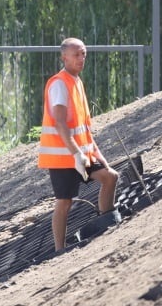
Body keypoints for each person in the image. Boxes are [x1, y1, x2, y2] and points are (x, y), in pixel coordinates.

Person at [38, 37, 119, 252]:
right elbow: (60, 124)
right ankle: (59, 250)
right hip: (65, 156)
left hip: (82, 153)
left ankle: (107, 223)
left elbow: (83, 127)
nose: (81, 58)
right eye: (77, 54)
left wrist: (95, 153)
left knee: (110, 177)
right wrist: (76, 154)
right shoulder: (59, 84)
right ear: (64, 57)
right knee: (64, 202)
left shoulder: (76, 82)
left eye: (84, 53)